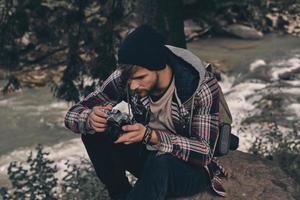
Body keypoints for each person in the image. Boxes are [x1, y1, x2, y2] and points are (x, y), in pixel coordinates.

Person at [65, 25, 226, 200]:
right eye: (129, 79)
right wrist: (89, 118)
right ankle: (121, 194)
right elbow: (73, 113)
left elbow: (203, 152)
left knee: (162, 162)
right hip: (148, 154)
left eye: (141, 78)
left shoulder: (201, 87)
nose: (133, 86)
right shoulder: (126, 76)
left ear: (159, 67)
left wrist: (151, 136)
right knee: (94, 134)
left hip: (189, 169)